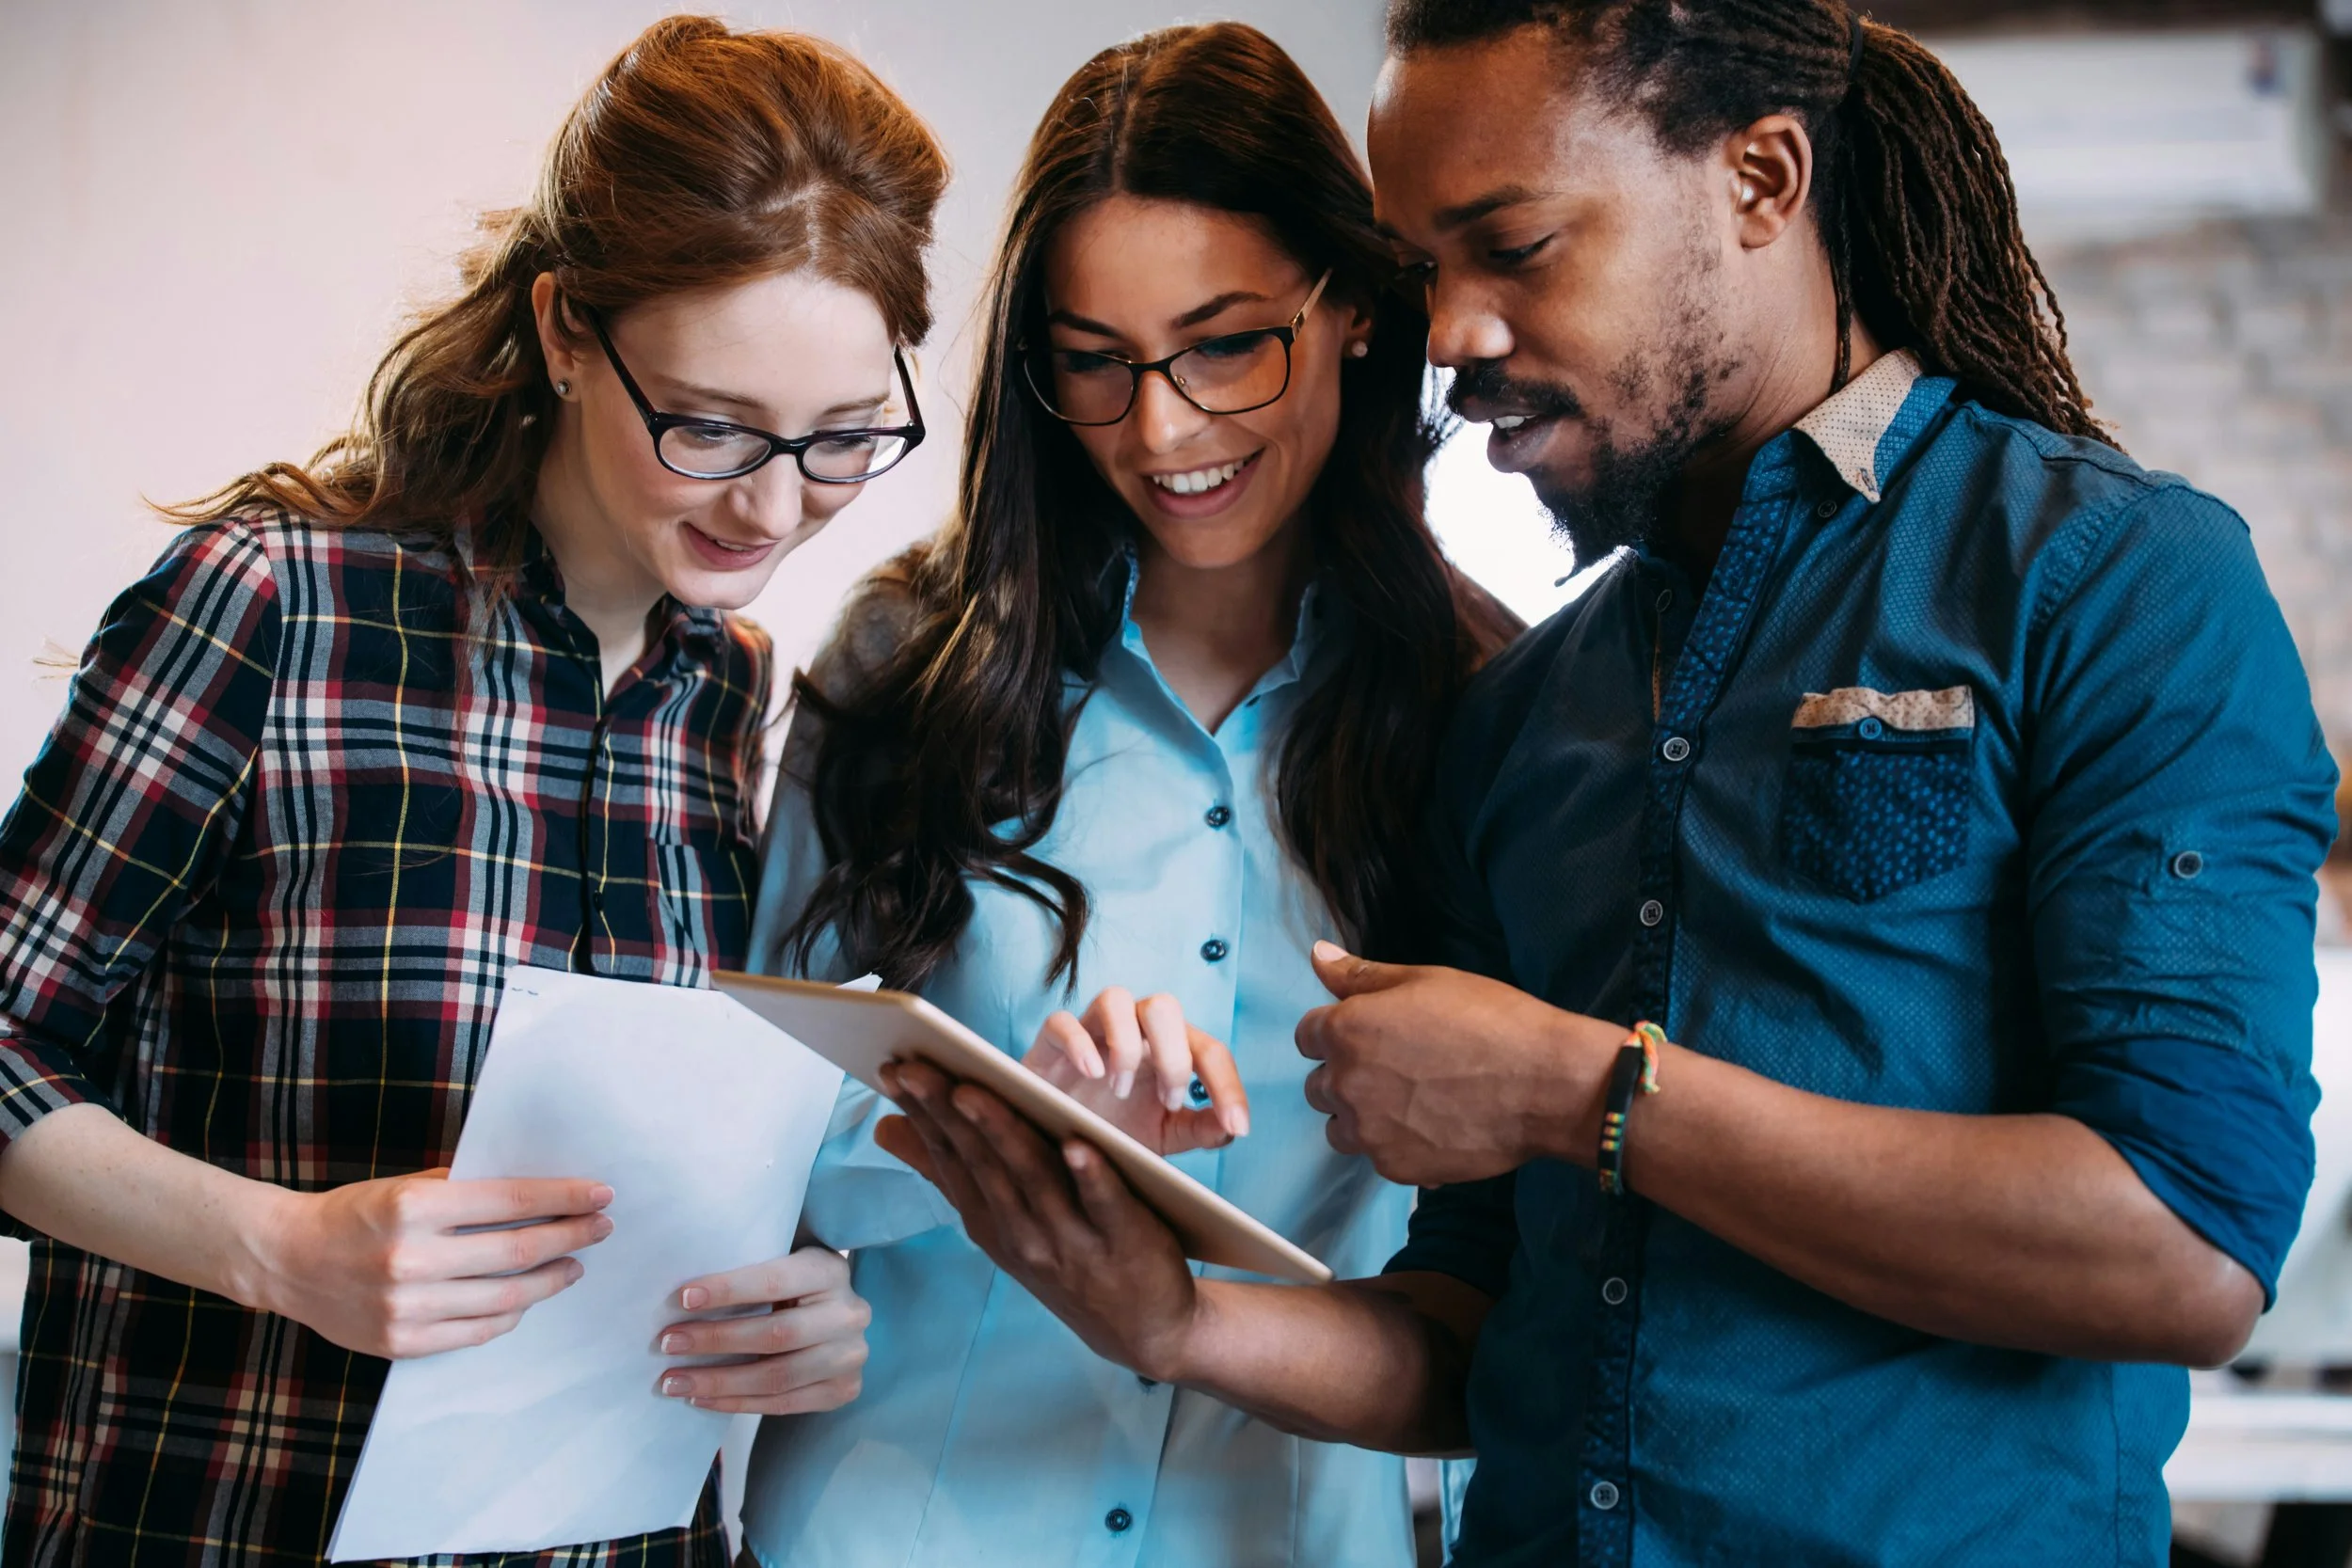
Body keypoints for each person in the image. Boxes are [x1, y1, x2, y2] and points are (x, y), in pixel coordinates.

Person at [876, 3, 2344, 1565]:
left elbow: (2185, 1248)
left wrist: (1583, 1091)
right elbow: (1476, 1328)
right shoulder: (1519, 708)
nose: (1449, 336)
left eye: (1514, 245)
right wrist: (1176, 1324)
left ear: (1762, 182)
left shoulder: (2111, 580)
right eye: (1422, 270)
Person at [0, 18, 943, 1565]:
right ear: (569, 328)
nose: (773, 505)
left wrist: (805, 1316)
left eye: (842, 441)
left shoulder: (733, 692)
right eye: (707, 426)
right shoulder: (277, 603)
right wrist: (282, 1247)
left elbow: (687, 1170)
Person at [737, 23, 1516, 1568]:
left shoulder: (1495, 714)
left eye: (1226, 342)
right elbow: (750, 1123)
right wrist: (986, 1120)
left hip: (1279, 1533)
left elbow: (1514, 1282)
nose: (1159, 432)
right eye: (1094, 361)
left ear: (1354, 308)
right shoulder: (910, 661)